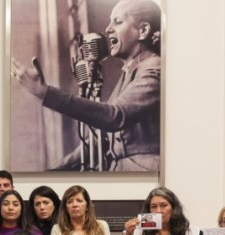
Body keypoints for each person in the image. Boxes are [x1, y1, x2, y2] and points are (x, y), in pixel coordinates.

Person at [12, 0, 161, 171]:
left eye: (118, 21)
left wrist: (46, 93)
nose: (108, 29)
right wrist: (54, 170)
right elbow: (101, 137)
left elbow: (114, 116)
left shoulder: (154, 68)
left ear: (143, 30)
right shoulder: (130, 72)